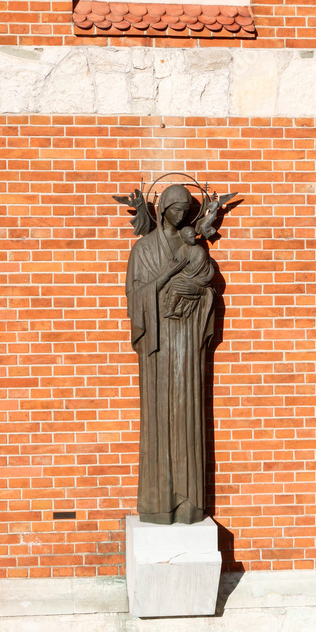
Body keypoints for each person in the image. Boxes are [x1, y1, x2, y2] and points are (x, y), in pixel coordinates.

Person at [125, 184, 217, 525]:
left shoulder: (194, 246)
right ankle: (158, 502)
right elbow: (135, 296)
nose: (181, 216)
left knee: (187, 411)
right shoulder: (144, 249)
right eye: (175, 209)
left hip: (187, 341)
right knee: (158, 416)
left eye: (186, 210)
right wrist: (164, 283)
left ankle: (189, 503)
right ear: (162, 209)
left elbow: (207, 288)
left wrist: (193, 292)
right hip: (158, 346)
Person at [163, 225, 213, 320]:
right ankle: (171, 309)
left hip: (198, 278)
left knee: (179, 284)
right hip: (187, 275)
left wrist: (179, 267)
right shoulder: (183, 248)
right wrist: (174, 264)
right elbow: (177, 261)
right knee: (174, 282)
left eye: (194, 236)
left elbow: (192, 269)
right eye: (190, 237)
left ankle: (180, 307)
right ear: (184, 238)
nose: (193, 238)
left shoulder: (199, 251)